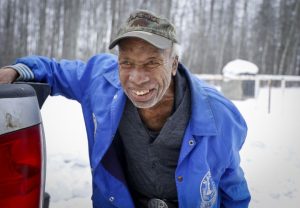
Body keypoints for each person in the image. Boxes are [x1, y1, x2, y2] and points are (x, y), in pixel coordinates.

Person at [0, 10, 250, 208]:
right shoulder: (101, 80)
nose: (136, 78)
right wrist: (15, 71)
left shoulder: (218, 115)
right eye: (126, 63)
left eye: (151, 62)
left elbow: (233, 189)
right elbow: (55, 71)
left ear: (173, 64)